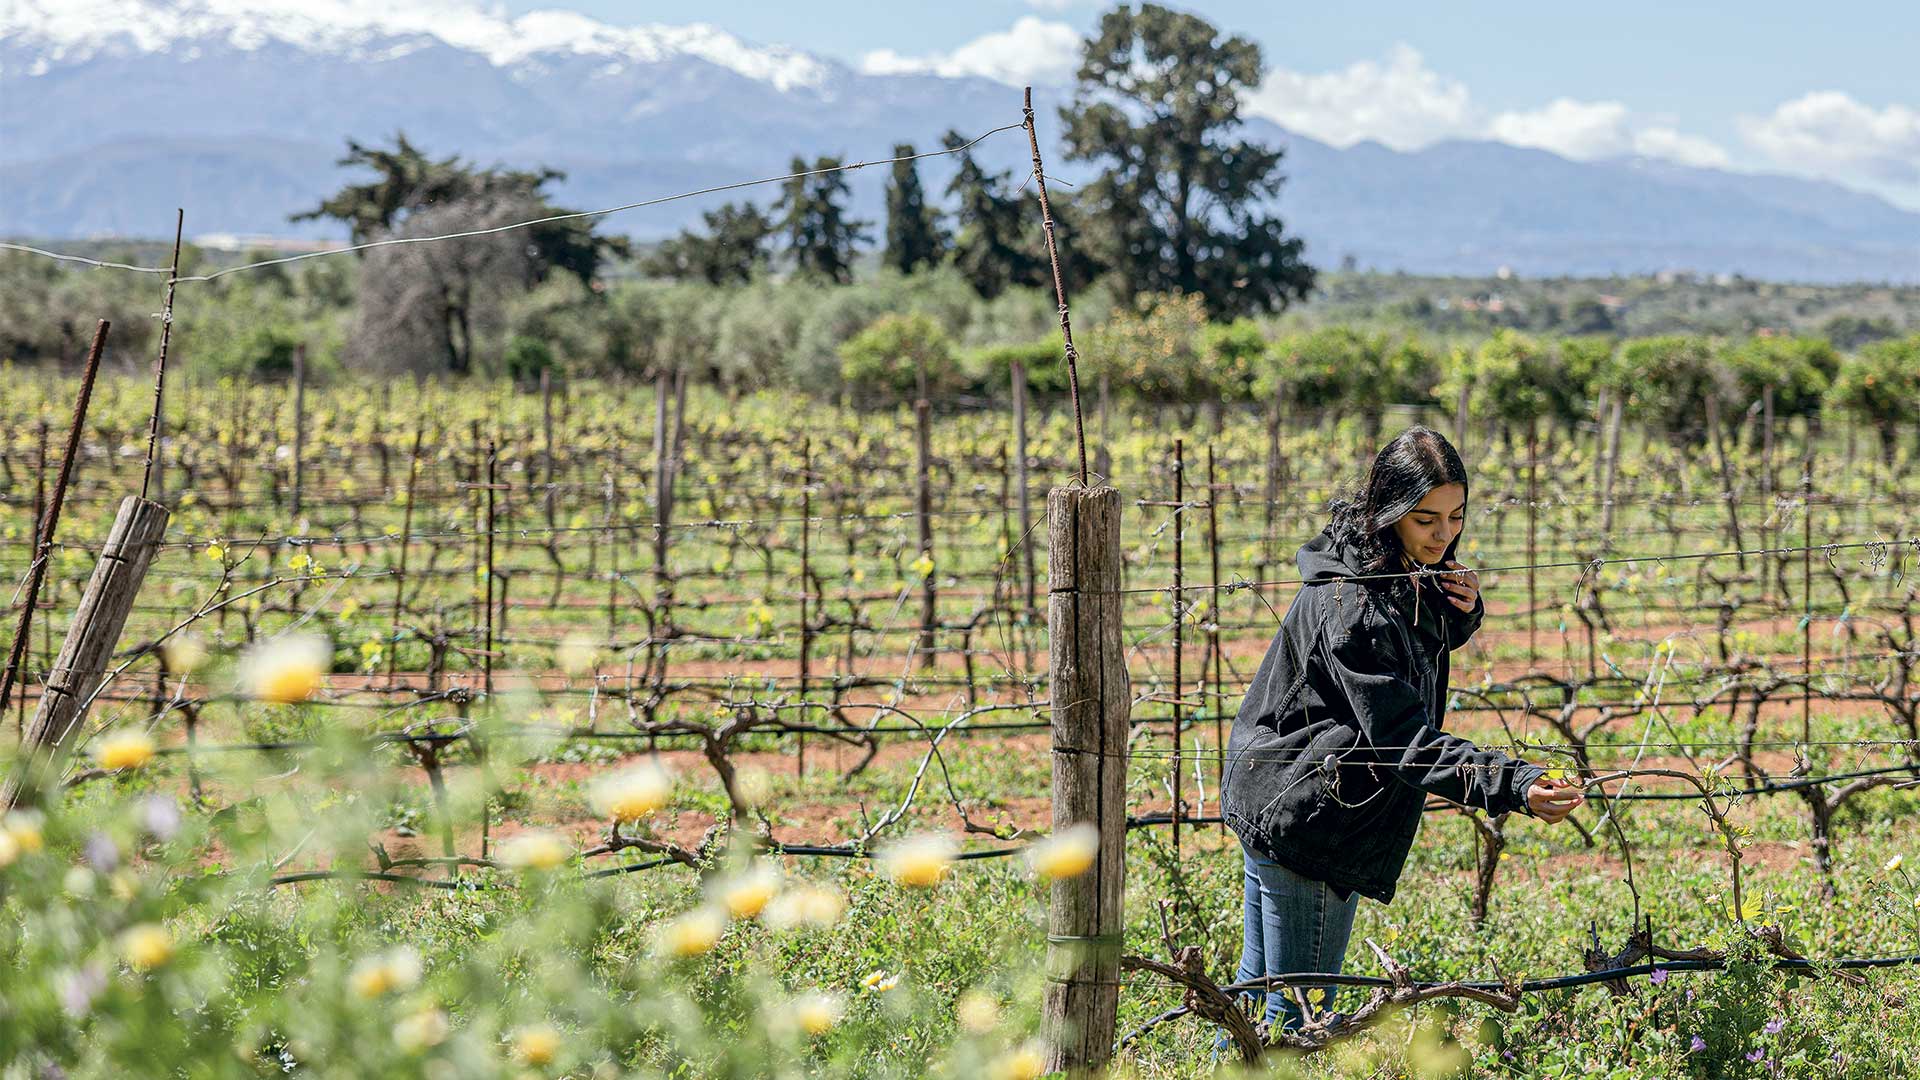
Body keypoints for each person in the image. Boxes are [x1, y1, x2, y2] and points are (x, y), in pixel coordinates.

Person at [1218, 425, 1583, 1039]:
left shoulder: (1382, 567)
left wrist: (1455, 612)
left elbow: (1400, 658)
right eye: (1426, 520)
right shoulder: (1356, 603)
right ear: (1389, 513)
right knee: (1296, 1020)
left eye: (1456, 517)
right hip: (1313, 821)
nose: (1445, 535)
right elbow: (1402, 739)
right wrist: (1513, 784)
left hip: (1285, 794)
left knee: (1256, 1001)